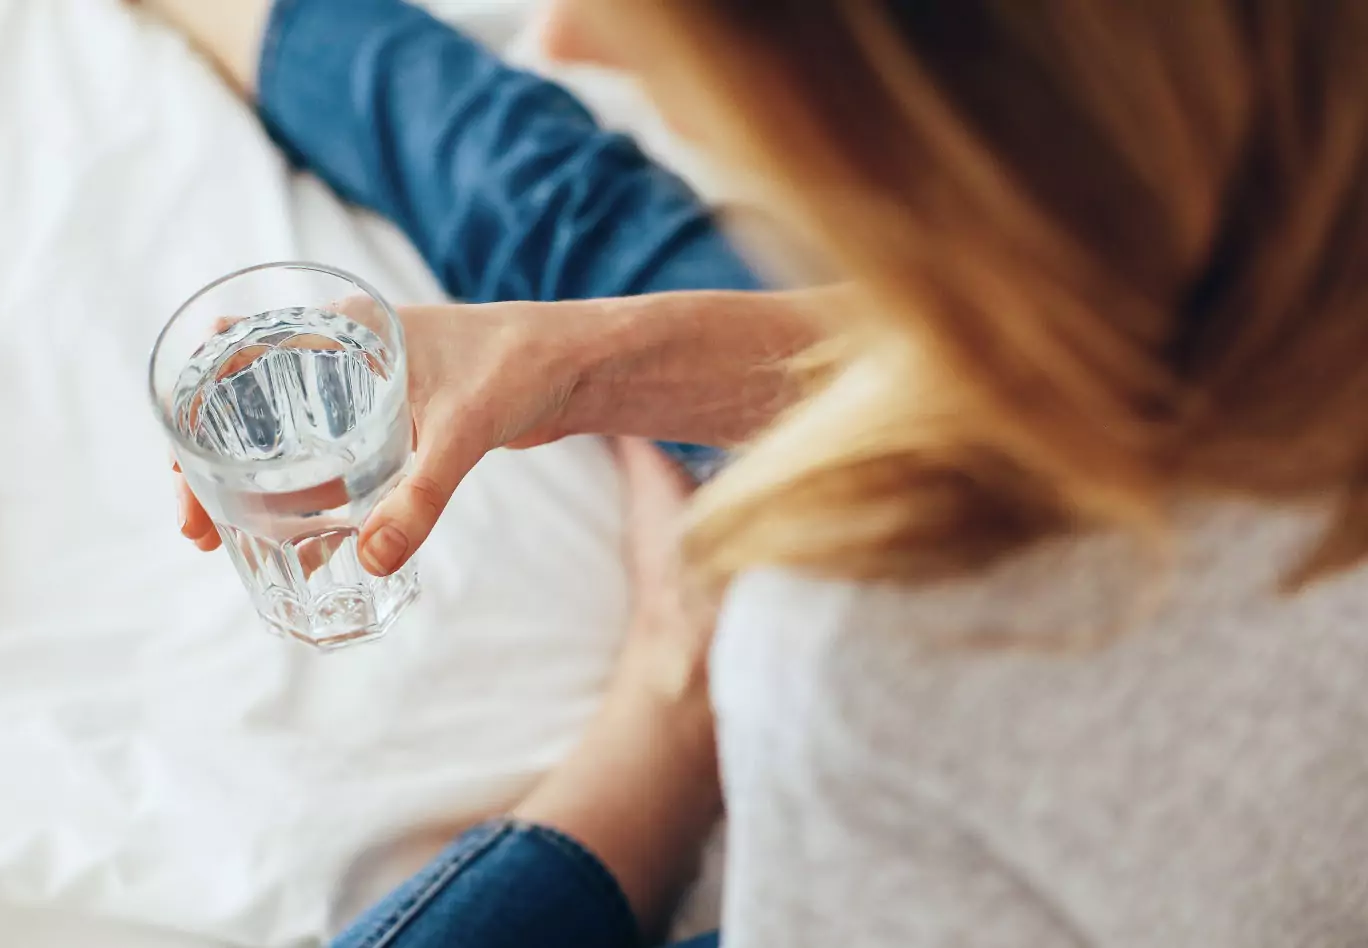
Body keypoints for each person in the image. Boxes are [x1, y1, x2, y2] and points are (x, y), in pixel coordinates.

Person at [150, 0, 1368, 946]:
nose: (571, 29)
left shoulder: (869, 653)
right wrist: (586, 363)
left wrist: (714, 685)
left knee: (575, 223)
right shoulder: (1297, 168)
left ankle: (665, 711)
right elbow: (1123, 333)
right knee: (579, 241)